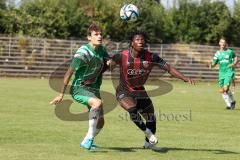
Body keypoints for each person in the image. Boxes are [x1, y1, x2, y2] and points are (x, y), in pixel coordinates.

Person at [109, 31, 195, 149]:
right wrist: (108, 65)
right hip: (124, 90)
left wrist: (184, 78)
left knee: (151, 119)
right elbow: (109, 65)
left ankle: (147, 144)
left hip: (140, 91)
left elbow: (168, 68)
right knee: (132, 109)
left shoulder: (151, 57)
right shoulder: (122, 55)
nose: (140, 41)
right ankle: (148, 133)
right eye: (137, 40)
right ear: (132, 43)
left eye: (142, 40)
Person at [49, 24, 110, 150]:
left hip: (94, 89)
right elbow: (68, 73)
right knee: (97, 103)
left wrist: (109, 62)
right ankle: (88, 139)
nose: (99, 36)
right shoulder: (82, 53)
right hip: (79, 88)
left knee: (101, 122)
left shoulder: (102, 50)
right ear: (89, 37)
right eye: (96, 34)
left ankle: (87, 140)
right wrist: (61, 94)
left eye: (100, 34)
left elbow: (107, 61)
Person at [209, 37, 238, 110]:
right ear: (219, 43)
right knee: (224, 90)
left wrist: (233, 64)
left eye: (224, 42)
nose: (222, 44)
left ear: (226, 44)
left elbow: (236, 58)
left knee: (224, 89)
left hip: (229, 71)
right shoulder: (217, 53)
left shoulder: (230, 51)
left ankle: (230, 103)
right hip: (221, 73)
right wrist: (211, 65)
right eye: (221, 42)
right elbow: (214, 63)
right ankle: (230, 103)